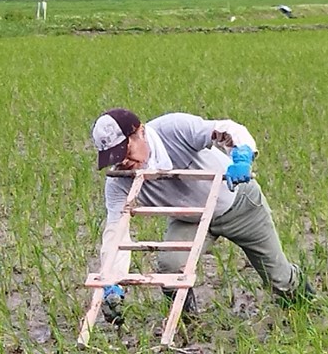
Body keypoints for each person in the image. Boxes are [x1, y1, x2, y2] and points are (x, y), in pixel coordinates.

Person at [90, 108, 314, 326]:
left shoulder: (174, 129)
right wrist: (112, 280)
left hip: (240, 205)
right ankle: (187, 323)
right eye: (114, 158)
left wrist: (241, 156)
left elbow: (226, 129)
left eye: (125, 152)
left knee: (280, 279)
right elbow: (116, 232)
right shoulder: (118, 180)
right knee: (170, 267)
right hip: (191, 218)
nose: (123, 163)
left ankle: (310, 310)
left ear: (140, 132)